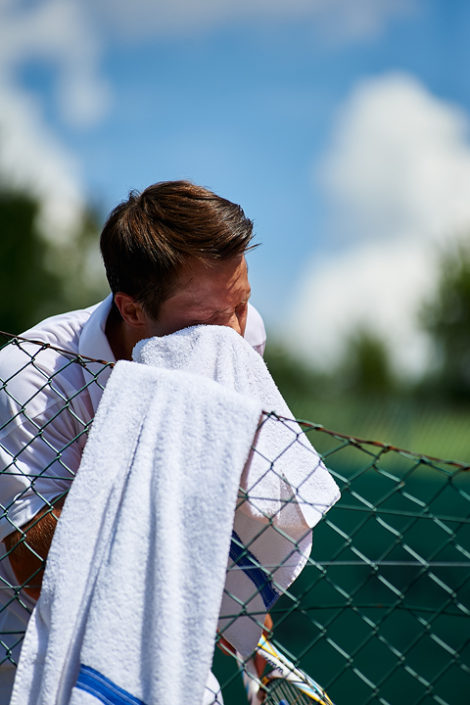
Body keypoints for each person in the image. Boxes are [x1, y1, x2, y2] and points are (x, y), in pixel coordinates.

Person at [0, 180, 266, 700]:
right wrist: (152, 435)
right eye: (210, 322)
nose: (234, 337)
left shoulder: (243, 336)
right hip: (25, 669)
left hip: (168, 658)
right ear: (132, 310)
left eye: (241, 305)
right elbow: (32, 568)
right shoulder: (29, 376)